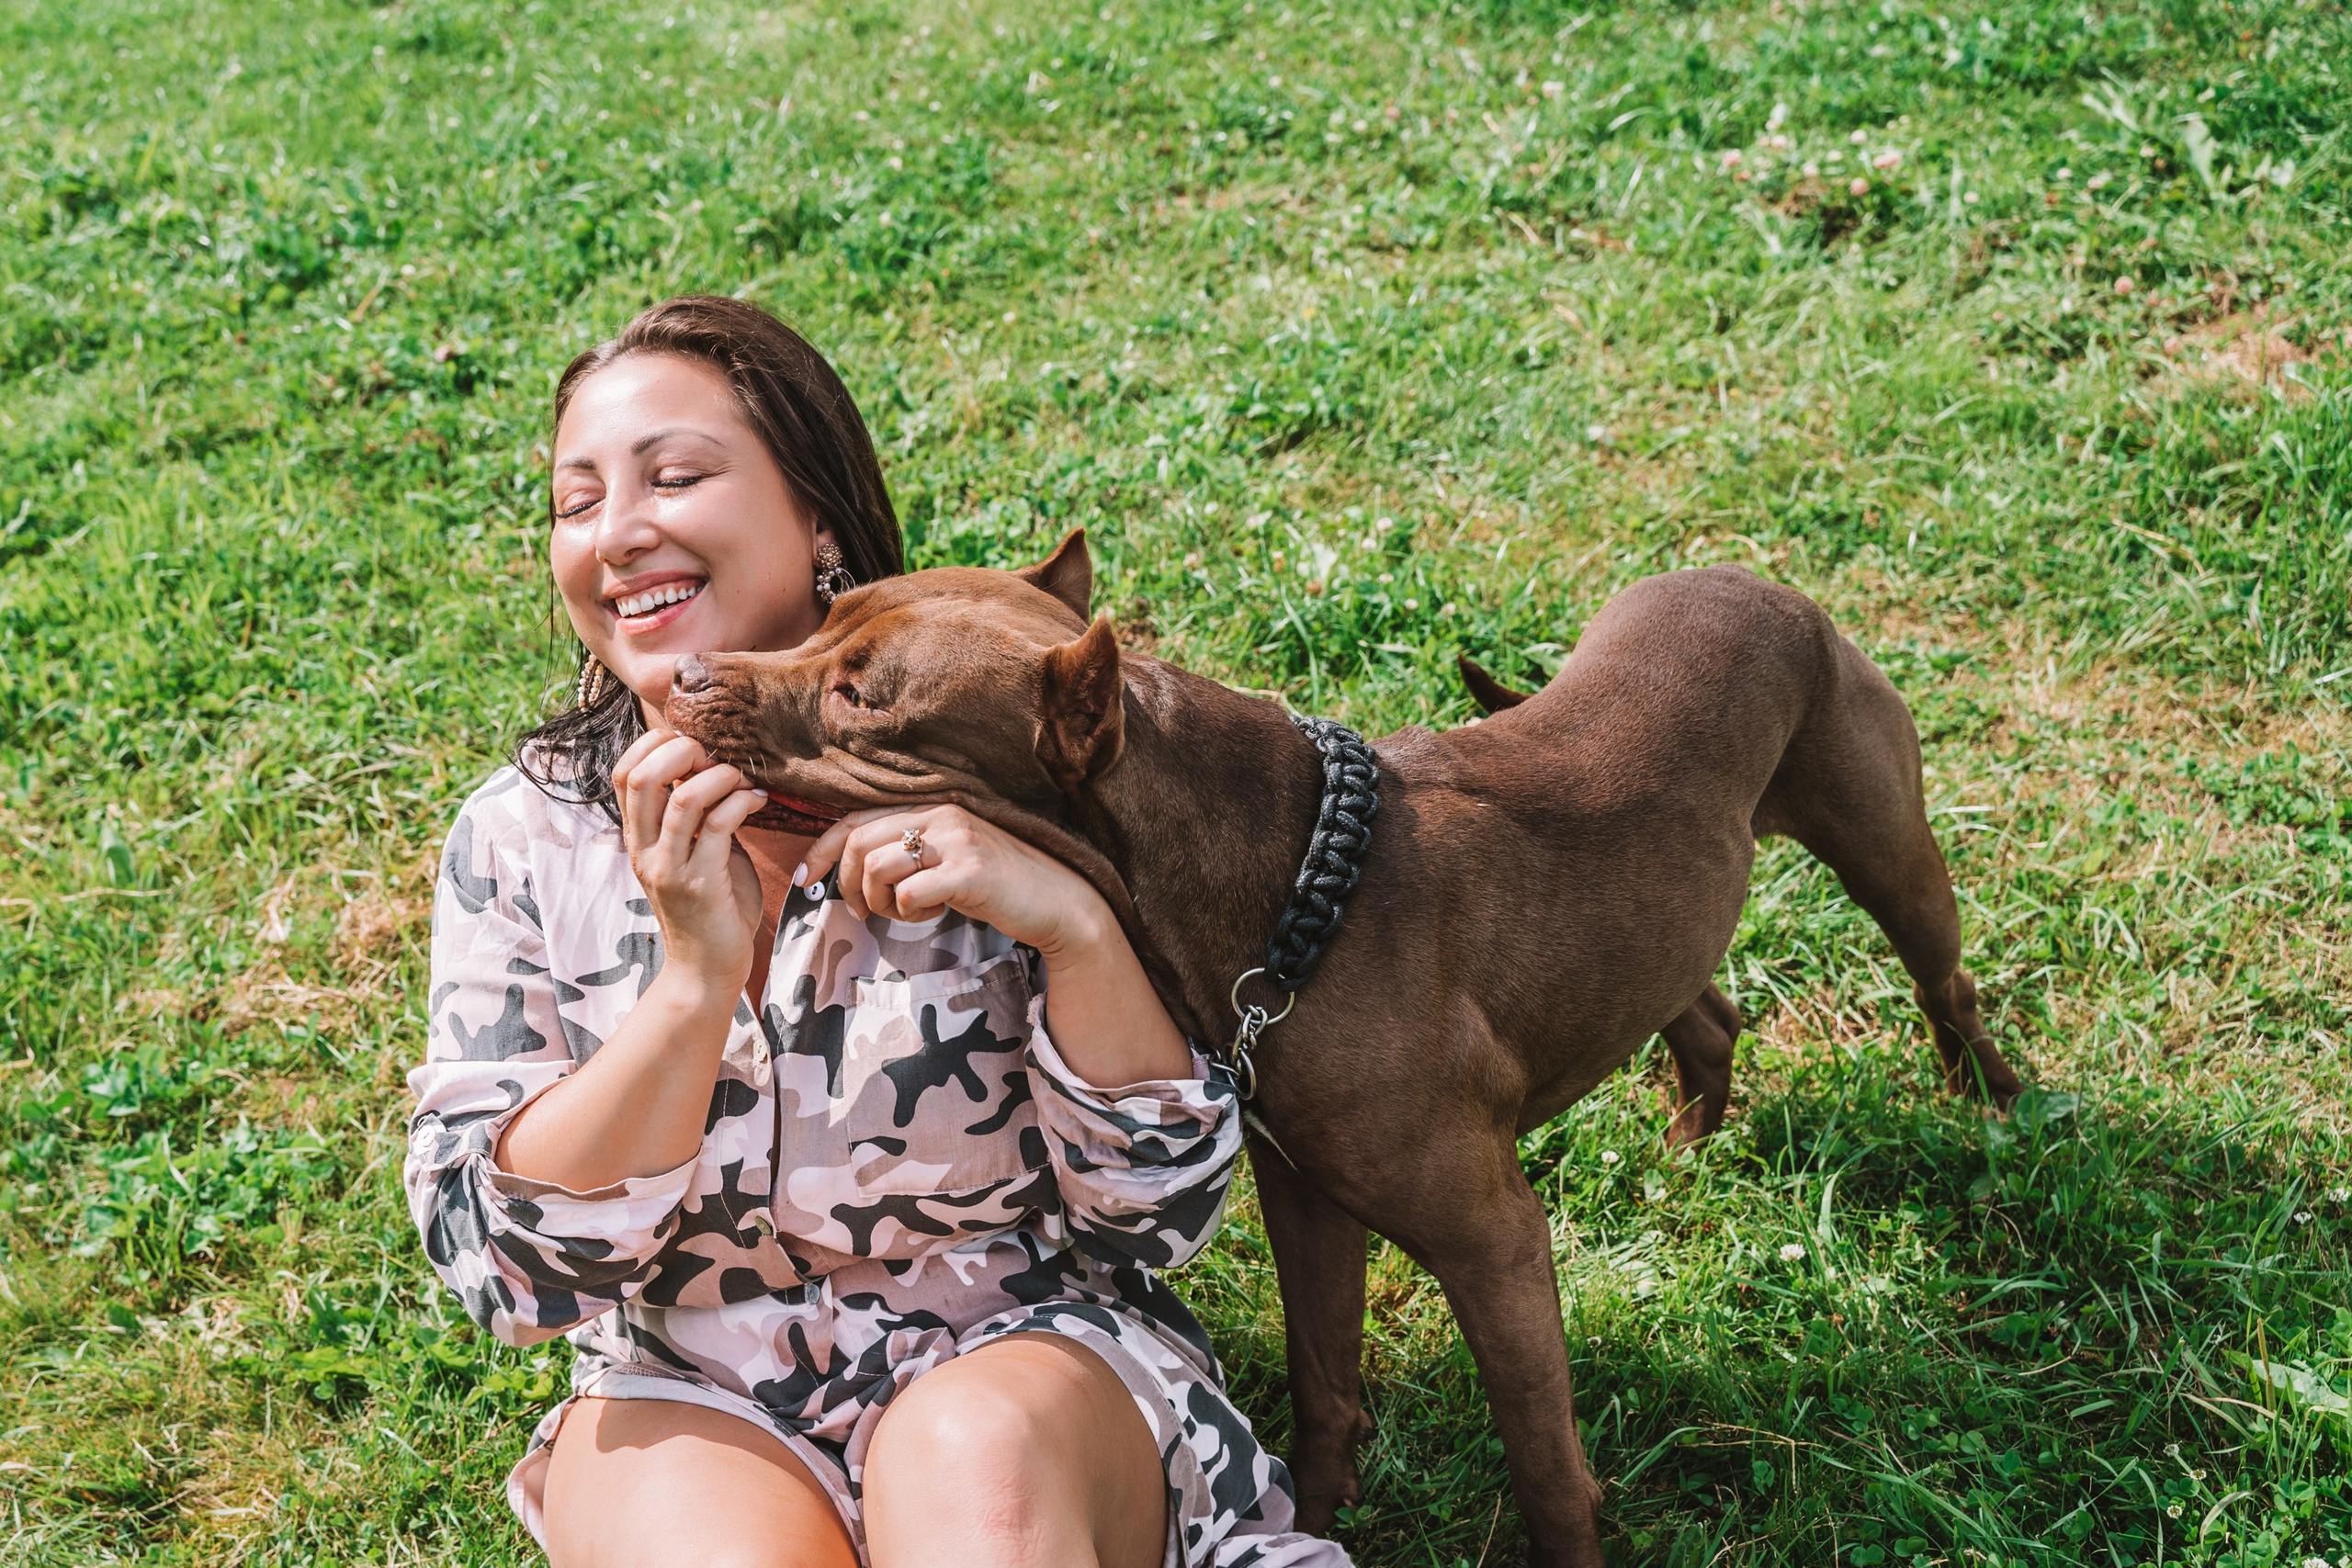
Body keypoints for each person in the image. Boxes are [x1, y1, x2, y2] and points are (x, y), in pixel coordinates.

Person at [402, 296, 1349, 1568]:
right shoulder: (522, 840)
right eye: (577, 503)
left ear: (819, 518)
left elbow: (1155, 1216)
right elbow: (512, 1275)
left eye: (675, 476)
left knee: (979, 1484)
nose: (618, 533)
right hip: (691, 1383)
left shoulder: (998, 760)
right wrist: (691, 985)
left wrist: (1069, 926)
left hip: (1022, 1358)